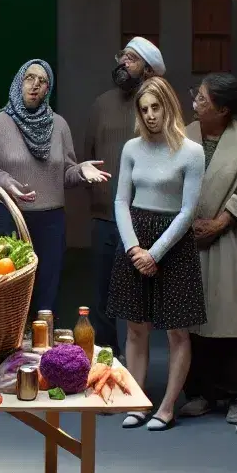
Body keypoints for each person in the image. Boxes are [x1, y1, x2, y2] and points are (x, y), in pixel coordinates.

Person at [109, 77, 205, 432]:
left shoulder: (192, 152)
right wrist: (134, 247)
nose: (150, 115)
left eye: (156, 107)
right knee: (136, 328)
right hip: (135, 237)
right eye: (143, 109)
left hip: (173, 243)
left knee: (178, 332)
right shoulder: (131, 148)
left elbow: (188, 211)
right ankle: (137, 402)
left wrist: (156, 252)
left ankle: (166, 407)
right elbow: (121, 200)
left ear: (169, 106)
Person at [0, 59, 108, 316]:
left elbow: (66, 174)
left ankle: (42, 352)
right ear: (18, 82)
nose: (35, 85)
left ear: (48, 89)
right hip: (10, 218)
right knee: (9, 293)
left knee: (46, 295)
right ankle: (9, 353)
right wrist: (7, 182)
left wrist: (80, 171)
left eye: (42, 81)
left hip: (51, 222)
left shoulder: (59, 125)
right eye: (29, 78)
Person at [81, 36, 168, 356]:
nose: (122, 63)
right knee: (102, 298)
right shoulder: (101, 104)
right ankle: (108, 359)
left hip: (145, 217)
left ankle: (139, 374)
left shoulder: (156, 108)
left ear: (148, 70)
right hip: (105, 217)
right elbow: (87, 155)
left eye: (131, 59)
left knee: (140, 298)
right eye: (122, 56)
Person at [180, 73, 237, 423]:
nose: (195, 102)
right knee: (192, 319)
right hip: (186, 238)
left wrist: (221, 222)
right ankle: (200, 392)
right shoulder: (183, 134)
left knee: (231, 316)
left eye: (203, 99)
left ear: (223, 109)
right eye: (197, 96)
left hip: (230, 238)